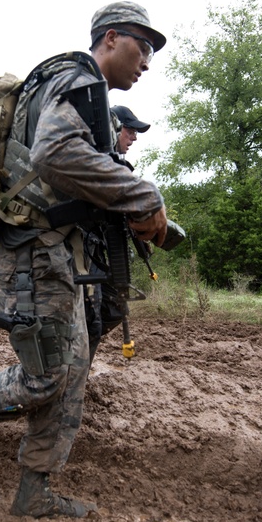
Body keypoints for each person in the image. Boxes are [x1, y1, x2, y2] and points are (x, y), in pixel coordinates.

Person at [0, 1, 169, 518]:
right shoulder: (74, 78)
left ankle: (35, 490)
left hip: (59, 252)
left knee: (70, 372)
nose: (148, 62)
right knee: (45, 377)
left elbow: (71, 173)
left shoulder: (87, 94)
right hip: (32, 251)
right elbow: (55, 154)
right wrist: (143, 195)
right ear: (111, 37)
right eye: (144, 46)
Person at [83, 104, 153, 356]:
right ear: (113, 129)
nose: (134, 137)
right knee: (90, 321)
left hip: (104, 253)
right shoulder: (93, 161)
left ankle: (74, 354)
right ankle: (71, 383)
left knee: (113, 310)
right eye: (130, 130)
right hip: (83, 252)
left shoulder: (118, 166)